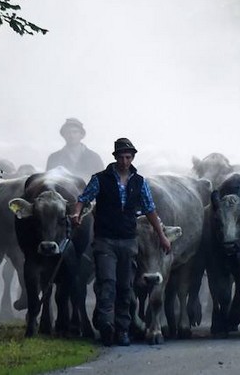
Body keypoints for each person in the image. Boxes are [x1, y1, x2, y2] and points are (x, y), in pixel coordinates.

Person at [71, 137, 172, 347]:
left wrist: (161, 235)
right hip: (105, 239)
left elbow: (149, 209)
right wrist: (76, 213)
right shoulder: (100, 179)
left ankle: (123, 329)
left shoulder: (139, 182)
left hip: (128, 240)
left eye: (128, 157)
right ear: (115, 157)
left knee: (126, 287)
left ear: (133, 158)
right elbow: (84, 198)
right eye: (121, 157)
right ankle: (107, 326)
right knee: (107, 282)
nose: (125, 161)